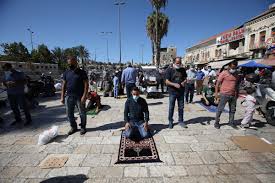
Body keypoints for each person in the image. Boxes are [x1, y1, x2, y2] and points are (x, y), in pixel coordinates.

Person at [61, 57, 89, 135]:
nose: (70, 64)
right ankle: (73, 127)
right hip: (69, 97)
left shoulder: (82, 72)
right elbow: (64, 85)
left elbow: (86, 84)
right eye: (69, 63)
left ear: (76, 62)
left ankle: (83, 127)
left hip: (79, 97)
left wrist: (84, 96)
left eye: (71, 63)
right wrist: (62, 96)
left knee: (82, 113)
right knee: (69, 114)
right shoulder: (66, 73)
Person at [214, 61, 240, 129]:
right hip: (224, 94)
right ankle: (216, 122)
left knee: (233, 110)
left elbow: (237, 84)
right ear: (229, 66)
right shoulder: (223, 73)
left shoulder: (236, 74)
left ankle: (231, 122)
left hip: (233, 95)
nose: (233, 69)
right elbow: (217, 84)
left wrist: (237, 93)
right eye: (232, 67)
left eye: (235, 67)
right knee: (220, 109)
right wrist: (216, 94)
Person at [165, 57, 187, 129]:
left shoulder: (183, 70)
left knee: (181, 107)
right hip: (172, 92)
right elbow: (167, 81)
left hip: (181, 92)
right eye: (177, 63)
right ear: (174, 62)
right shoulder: (169, 70)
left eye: (180, 62)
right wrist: (174, 84)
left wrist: (184, 82)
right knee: (171, 107)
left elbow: (185, 78)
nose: (179, 64)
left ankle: (181, 121)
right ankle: (170, 121)